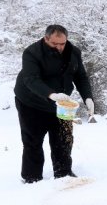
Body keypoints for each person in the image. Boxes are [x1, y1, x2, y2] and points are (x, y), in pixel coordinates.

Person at [14, 24, 94, 183]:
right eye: (54, 44)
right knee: (33, 140)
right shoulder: (32, 53)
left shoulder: (74, 52)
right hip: (32, 102)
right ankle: (32, 178)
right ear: (46, 38)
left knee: (63, 138)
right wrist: (51, 94)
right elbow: (31, 79)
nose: (59, 47)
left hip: (62, 104)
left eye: (62, 44)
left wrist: (88, 98)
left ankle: (63, 174)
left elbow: (80, 77)